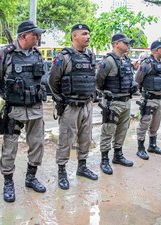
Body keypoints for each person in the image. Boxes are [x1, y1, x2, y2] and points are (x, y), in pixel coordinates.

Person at [0, 20, 47, 203]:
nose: (38, 37)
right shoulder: (5, 54)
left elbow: (42, 79)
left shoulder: (37, 54)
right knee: (10, 147)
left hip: (36, 109)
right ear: (23, 36)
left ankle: (31, 178)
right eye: (35, 35)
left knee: (37, 144)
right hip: (14, 110)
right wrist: (11, 96)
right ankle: (8, 182)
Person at [48, 24, 98, 190]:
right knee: (65, 140)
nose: (88, 37)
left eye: (88, 34)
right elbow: (52, 81)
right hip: (70, 106)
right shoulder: (64, 57)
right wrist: (61, 100)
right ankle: (62, 171)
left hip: (87, 105)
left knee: (86, 138)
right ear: (74, 36)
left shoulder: (91, 56)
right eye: (84, 34)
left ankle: (82, 167)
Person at [96, 33, 136, 175]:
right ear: (116, 44)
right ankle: (105, 160)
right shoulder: (108, 61)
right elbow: (98, 81)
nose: (128, 45)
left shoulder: (126, 60)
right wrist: (105, 94)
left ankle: (118, 155)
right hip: (113, 103)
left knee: (122, 130)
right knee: (108, 131)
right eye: (125, 43)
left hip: (126, 101)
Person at [135, 40, 161, 160]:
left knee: (156, 123)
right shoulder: (146, 64)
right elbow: (137, 80)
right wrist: (142, 93)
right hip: (148, 99)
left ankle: (152, 145)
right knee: (144, 122)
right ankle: (140, 148)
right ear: (155, 50)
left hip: (160, 99)